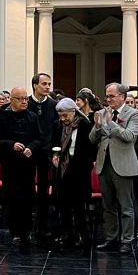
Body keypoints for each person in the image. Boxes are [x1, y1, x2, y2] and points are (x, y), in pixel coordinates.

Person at [91, 83, 138, 253]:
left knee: (126, 206)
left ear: (122, 97)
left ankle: (127, 240)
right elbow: (92, 139)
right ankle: (111, 238)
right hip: (104, 163)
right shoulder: (103, 113)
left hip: (123, 165)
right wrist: (98, 126)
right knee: (108, 205)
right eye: (107, 96)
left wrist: (111, 124)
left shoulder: (134, 114)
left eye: (112, 96)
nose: (108, 99)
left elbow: (130, 136)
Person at [0, 87, 43, 249]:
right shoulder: (3, 117)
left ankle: (26, 232)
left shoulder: (32, 117)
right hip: (10, 164)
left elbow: (40, 138)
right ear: (11, 100)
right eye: (20, 99)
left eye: (25, 99)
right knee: (13, 199)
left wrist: (31, 148)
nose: (24, 102)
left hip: (27, 165)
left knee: (27, 199)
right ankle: (15, 232)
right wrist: (11, 145)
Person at [52, 97, 96, 248]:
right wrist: (55, 156)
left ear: (74, 112)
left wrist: (86, 164)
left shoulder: (84, 125)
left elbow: (91, 149)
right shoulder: (57, 126)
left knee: (79, 205)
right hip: (63, 168)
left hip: (79, 168)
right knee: (63, 204)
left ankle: (82, 235)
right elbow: (54, 145)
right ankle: (66, 233)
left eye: (66, 115)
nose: (63, 119)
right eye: (61, 116)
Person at [27, 73, 58, 241]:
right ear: (35, 85)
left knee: (45, 191)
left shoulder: (54, 105)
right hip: (29, 152)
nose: (47, 87)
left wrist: (55, 153)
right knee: (27, 188)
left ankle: (43, 225)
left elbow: (56, 131)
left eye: (49, 84)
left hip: (47, 153)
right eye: (44, 84)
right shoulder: (26, 103)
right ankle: (26, 226)